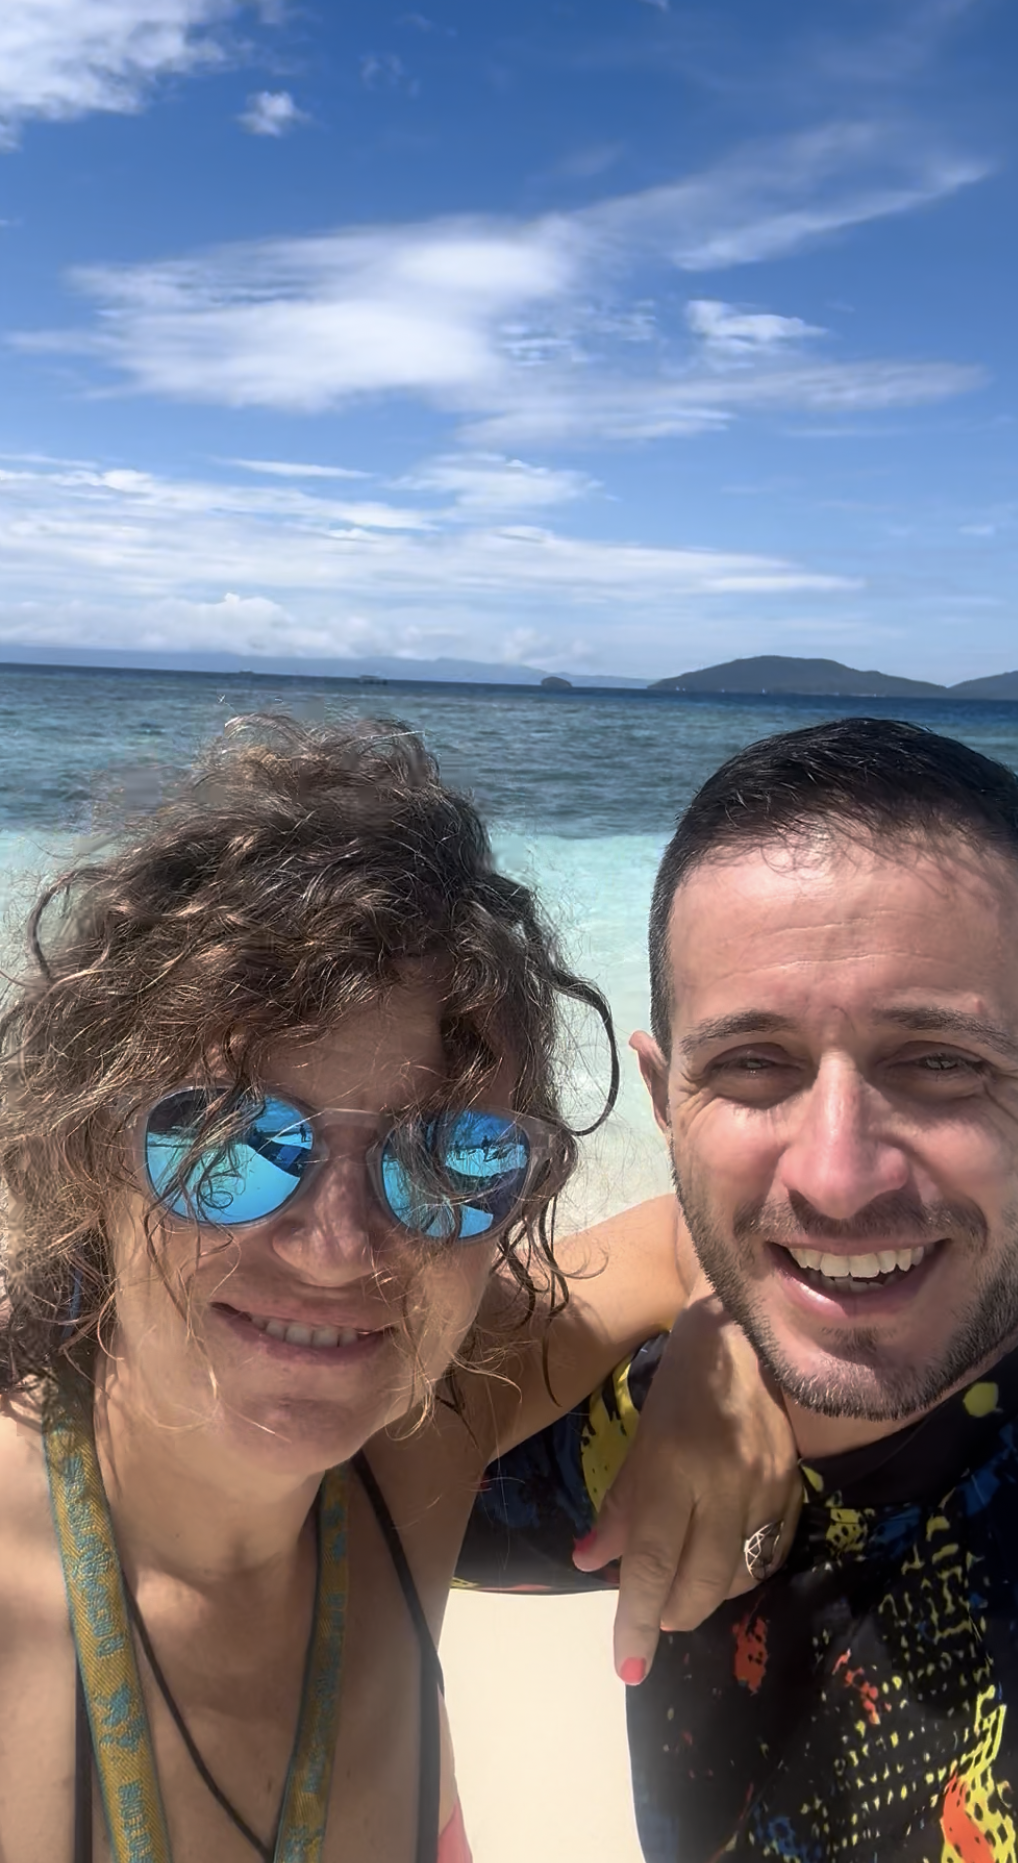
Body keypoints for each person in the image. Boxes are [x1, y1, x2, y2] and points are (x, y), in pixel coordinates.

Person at [0, 716, 798, 1863]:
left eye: (443, 1161)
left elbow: (691, 1237)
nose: (337, 1249)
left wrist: (724, 1356)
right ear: (86, 1153)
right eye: (227, 1143)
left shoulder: (418, 1437)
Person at [461, 717, 1018, 1860]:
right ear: (666, 1107)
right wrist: (698, 1303)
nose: (836, 1175)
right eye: (753, 1065)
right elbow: (305, 1443)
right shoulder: (642, 1429)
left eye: (941, 1062)